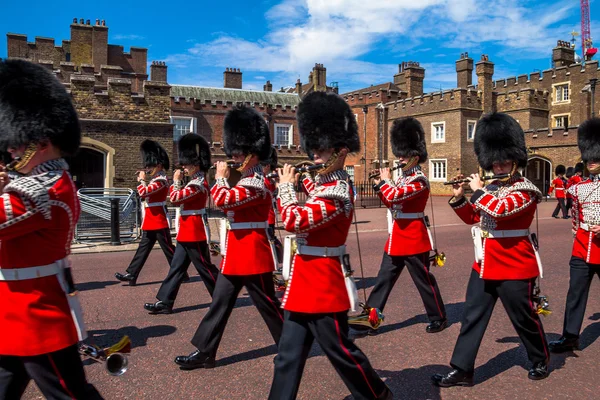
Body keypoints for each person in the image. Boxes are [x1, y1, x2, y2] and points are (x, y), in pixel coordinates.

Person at [268, 91, 392, 400]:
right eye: (314, 149)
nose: (316, 155)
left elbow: (295, 219)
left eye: (322, 150)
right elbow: (314, 187)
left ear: (340, 151)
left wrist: (285, 187)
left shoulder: (336, 192)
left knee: (341, 351)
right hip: (304, 282)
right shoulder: (328, 185)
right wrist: (295, 178)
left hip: (324, 283)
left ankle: (378, 395)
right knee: (288, 355)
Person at [0, 58, 103, 399]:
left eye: (16, 143)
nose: (11, 150)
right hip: (16, 312)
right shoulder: (37, 182)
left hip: (37, 315)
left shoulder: (42, 190)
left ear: (40, 140)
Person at [431, 112, 549, 387]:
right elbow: (477, 218)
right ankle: (462, 369)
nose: (497, 165)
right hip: (485, 264)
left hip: (515, 266)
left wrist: (478, 191)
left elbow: (501, 210)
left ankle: (540, 358)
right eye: (493, 161)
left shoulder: (526, 189)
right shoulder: (492, 187)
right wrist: (460, 198)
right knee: (472, 316)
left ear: (515, 159)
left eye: (503, 160)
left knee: (524, 320)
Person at [174, 106, 283, 370]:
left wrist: (221, 178)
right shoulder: (245, 180)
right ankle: (205, 351)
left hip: (253, 253)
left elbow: (223, 202)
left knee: (268, 305)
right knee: (220, 303)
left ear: (253, 154)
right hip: (236, 253)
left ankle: (292, 345)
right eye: (234, 152)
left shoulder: (256, 183)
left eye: (239, 153)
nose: (234, 157)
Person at [354, 117, 447, 337]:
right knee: (383, 280)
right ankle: (371, 320)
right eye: (399, 154)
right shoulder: (404, 179)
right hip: (397, 237)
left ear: (415, 157)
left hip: (414, 237)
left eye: (403, 155)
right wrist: (379, 186)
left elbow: (395, 195)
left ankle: (438, 317)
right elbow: (392, 203)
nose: (400, 158)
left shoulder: (419, 180)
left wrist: (385, 182)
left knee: (423, 281)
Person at [144, 133, 220, 314]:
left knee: (204, 267)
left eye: (186, 164)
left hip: (195, 230)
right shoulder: (194, 181)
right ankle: (165, 302)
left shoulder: (198, 183)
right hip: (186, 230)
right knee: (176, 268)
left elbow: (176, 199)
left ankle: (222, 296)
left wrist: (176, 181)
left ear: (196, 164)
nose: (184, 168)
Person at [549, 118, 600, 353]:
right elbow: (577, 217)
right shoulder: (578, 187)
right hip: (582, 247)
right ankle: (570, 337)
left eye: (596, 157)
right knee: (575, 294)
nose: (591, 161)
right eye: (589, 157)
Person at [115, 140, 176, 286]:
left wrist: (142, 180)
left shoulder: (161, 181)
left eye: (150, 166)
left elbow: (143, 193)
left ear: (159, 166)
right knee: (143, 249)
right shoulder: (155, 179)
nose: (148, 169)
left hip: (158, 220)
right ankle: (132, 274)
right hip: (151, 220)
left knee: (169, 250)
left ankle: (180, 272)